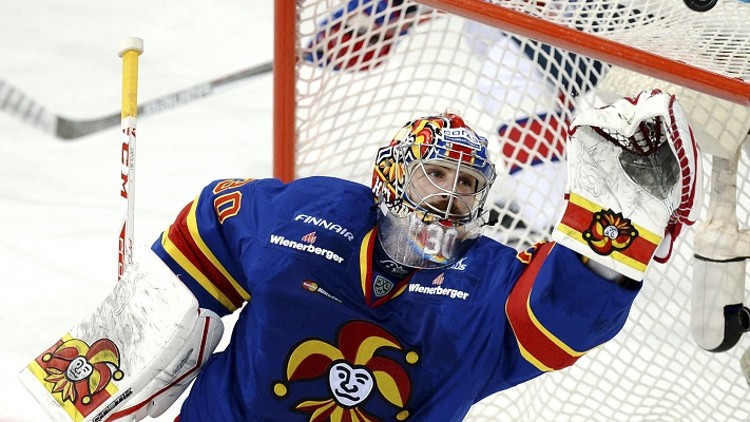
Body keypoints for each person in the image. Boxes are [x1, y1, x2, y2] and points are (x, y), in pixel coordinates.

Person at [22, 92, 699, 421]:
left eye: (468, 184)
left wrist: (615, 224)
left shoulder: (486, 276)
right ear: (389, 178)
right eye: (436, 173)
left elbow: (560, 320)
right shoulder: (302, 215)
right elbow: (208, 228)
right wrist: (105, 368)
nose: (451, 194)